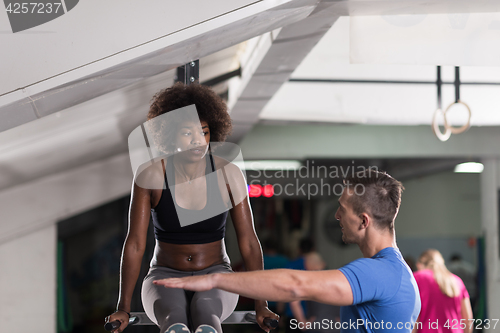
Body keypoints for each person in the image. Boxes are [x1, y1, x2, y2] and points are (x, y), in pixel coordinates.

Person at [154, 170, 421, 333]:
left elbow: (295, 285)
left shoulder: (381, 272)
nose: (337, 215)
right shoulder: (394, 271)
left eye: (342, 208)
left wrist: (213, 279)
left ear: (363, 221)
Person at [105, 82, 277, 333]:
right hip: (164, 274)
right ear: (171, 134)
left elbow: (249, 242)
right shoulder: (151, 175)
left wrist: (262, 304)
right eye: (188, 133)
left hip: (217, 273)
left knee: (207, 319)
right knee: (174, 323)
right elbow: (135, 244)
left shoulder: (228, 174)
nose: (198, 141)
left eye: (204, 132)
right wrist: (123, 307)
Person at [412, 249, 473, 333]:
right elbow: (468, 319)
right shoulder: (457, 281)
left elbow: (413, 317)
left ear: (419, 264)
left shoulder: (417, 278)